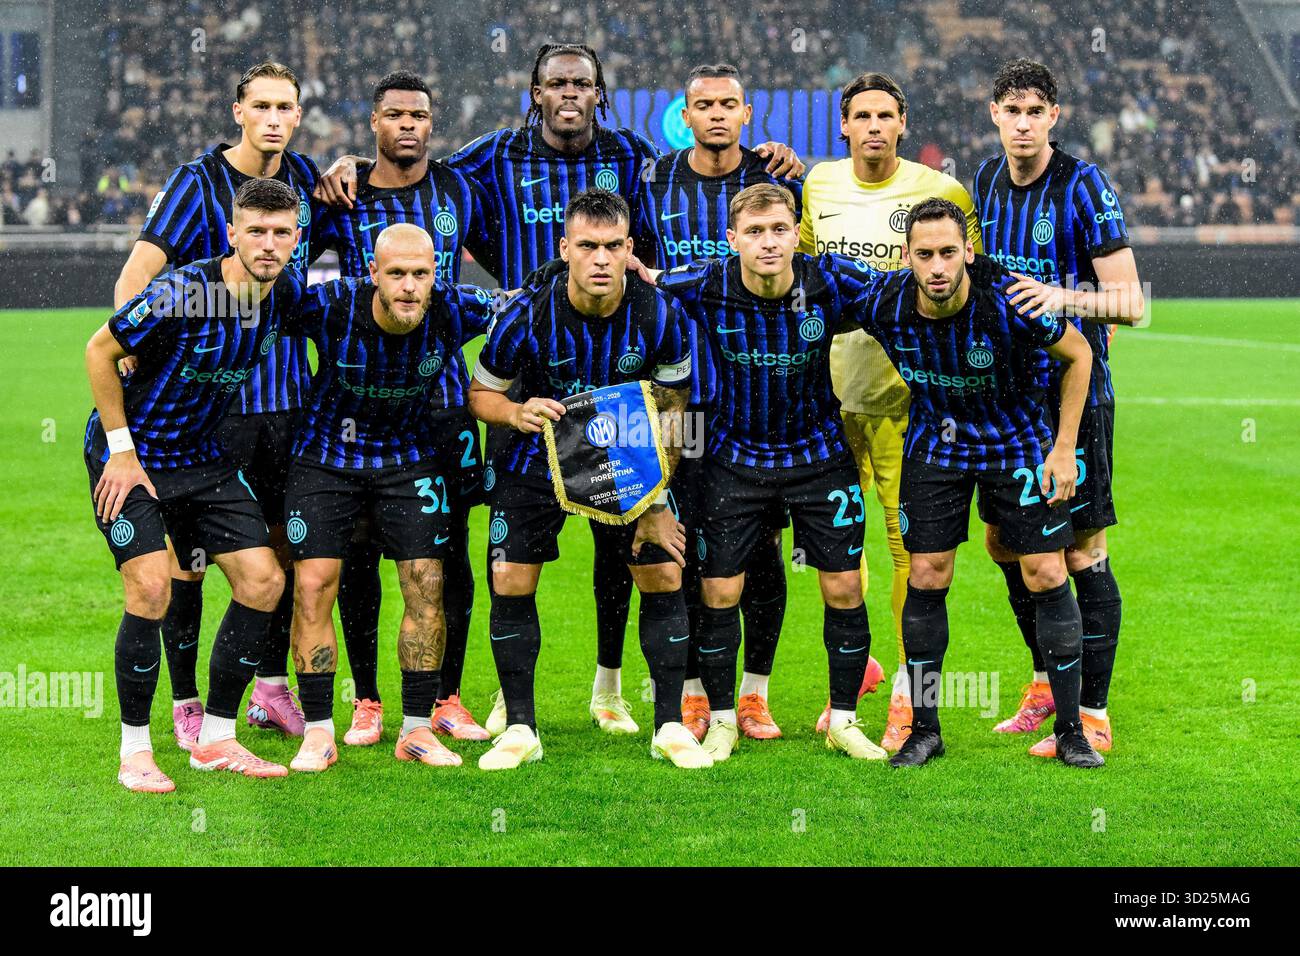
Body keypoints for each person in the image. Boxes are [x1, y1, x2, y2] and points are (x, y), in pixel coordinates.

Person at [844, 196, 1102, 769]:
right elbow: (804, 287)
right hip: (937, 446)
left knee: (1046, 570)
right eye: (925, 254)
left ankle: (1070, 729)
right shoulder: (883, 301)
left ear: (968, 251)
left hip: (1016, 442)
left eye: (948, 253)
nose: (937, 266)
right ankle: (926, 729)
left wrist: (1063, 450)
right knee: (928, 573)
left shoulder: (1010, 298)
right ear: (906, 256)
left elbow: (1079, 355)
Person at [113, 61, 320, 748]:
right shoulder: (196, 182)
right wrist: (140, 357)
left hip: (287, 403)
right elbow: (136, 279)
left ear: (298, 114)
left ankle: (265, 690)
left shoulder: (311, 181)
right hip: (213, 414)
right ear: (238, 111)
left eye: (284, 106)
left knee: (272, 561)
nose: (272, 118)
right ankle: (187, 702)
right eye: (260, 105)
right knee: (190, 564)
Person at [468, 189, 710, 771]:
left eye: (611, 246)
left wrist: (656, 498)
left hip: (626, 457)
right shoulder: (525, 313)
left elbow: (676, 409)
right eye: (587, 246)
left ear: (629, 249)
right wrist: (513, 413)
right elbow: (480, 393)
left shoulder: (659, 314)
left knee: (661, 570)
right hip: (537, 458)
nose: (600, 258)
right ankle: (522, 728)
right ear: (565, 249)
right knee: (510, 580)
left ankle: (670, 725)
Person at [84, 178, 305, 792]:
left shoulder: (283, 294)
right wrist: (123, 452)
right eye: (254, 230)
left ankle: (215, 737)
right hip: (133, 456)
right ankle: (135, 752)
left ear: (295, 237)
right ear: (231, 233)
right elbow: (99, 350)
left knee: (264, 581)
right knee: (152, 587)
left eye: (280, 232)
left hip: (201, 457)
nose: (267, 243)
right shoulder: (184, 291)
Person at [312, 69, 497, 746]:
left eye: (419, 115)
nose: (408, 125)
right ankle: (366, 698)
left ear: (432, 121)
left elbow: (504, 265)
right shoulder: (341, 196)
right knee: (360, 554)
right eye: (394, 115)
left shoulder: (456, 188)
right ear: (374, 124)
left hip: (443, 405)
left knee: (448, 557)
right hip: (357, 409)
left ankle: (445, 696)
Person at [798, 72, 982, 749]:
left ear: (903, 123)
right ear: (843, 126)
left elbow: (968, 286)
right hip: (830, 398)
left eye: (885, 115)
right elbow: (808, 279)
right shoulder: (819, 185)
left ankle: (910, 689)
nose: (873, 126)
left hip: (911, 405)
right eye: (861, 116)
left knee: (912, 551)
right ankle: (860, 671)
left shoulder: (943, 195)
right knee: (836, 550)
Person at [973, 59, 1144, 756]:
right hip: (1008, 403)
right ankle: (1047, 681)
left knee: (1082, 553)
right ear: (993, 114)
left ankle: (1093, 711)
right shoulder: (984, 181)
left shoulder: (1082, 185)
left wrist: (1061, 298)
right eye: (1010, 110)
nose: (1021, 122)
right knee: (1006, 544)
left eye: (1034, 111)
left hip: (1078, 396)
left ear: (1053, 117)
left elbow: (1132, 302)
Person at [282, 224, 496, 772]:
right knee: (313, 586)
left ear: (436, 276)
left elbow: (532, 305)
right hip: (325, 458)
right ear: (372, 273)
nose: (408, 286)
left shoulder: (455, 309)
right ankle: (318, 731)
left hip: (408, 459)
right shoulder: (329, 305)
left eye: (420, 274)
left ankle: (418, 730)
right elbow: (252, 304)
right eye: (396, 273)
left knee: (426, 583)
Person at [633, 62, 801, 742]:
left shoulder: (779, 179)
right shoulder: (655, 180)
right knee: (694, 550)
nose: (717, 114)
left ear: (748, 111)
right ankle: (700, 691)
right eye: (704, 104)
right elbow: (640, 271)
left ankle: (755, 694)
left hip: (762, 399)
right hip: (685, 406)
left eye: (729, 103)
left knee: (762, 550)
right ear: (685, 113)